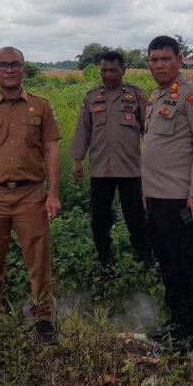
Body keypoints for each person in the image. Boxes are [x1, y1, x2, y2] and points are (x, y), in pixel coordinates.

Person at [0, 47, 61, 344]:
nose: (8, 70)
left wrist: (53, 193)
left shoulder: (41, 107)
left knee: (38, 259)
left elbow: (52, 150)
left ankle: (43, 318)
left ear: (23, 69)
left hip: (30, 194)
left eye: (14, 64)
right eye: (2, 65)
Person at [141, 36, 193, 353]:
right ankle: (176, 320)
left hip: (182, 199)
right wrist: (146, 193)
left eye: (165, 59)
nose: (159, 65)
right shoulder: (156, 97)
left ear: (179, 60)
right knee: (168, 264)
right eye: (154, 59)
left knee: (188, 264)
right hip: (156, 198)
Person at [70, 51, 152, 268]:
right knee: (100, 217)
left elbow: (150, 132)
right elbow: (83, 131)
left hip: (130, 168)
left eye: (113, 70)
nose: (108, 74)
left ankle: (144, 255)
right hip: (101, 169)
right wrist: (78, 161)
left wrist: (154, 164)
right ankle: (104, 256)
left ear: (123, 71)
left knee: (136, 215)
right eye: (104, 70)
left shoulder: (136, 95)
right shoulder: (92, 97)